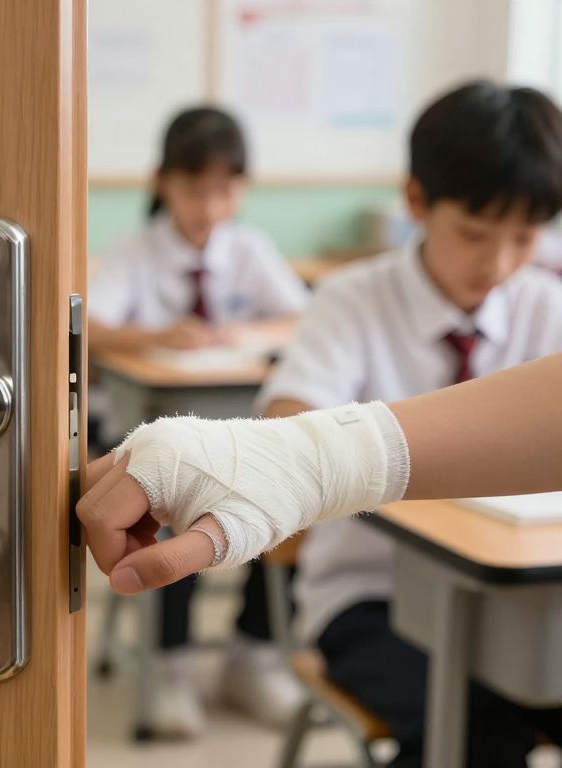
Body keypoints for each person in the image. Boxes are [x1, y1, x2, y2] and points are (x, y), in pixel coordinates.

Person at [81, 81, 562, 767]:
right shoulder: (351, 300)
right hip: (374, 595)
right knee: (475, 735)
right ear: (417, 203)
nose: (497, 264)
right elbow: (289, 416)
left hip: (532, 598)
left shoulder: (549, 305)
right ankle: (182, 666)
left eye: (524, 238)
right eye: (476, 234)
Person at [88, 106, 310, 736]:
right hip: (151, 430)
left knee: (299, 500)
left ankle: (254, 651)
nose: (210, 206)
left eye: (224, 190)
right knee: (178, 503)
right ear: (163, 182)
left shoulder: (250, 248)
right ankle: (172, 662)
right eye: (194, 189)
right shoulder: (136, 250)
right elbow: (93, 330)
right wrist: (160, 333)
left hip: (245, 430)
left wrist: (241, 330)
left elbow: (303, 319)